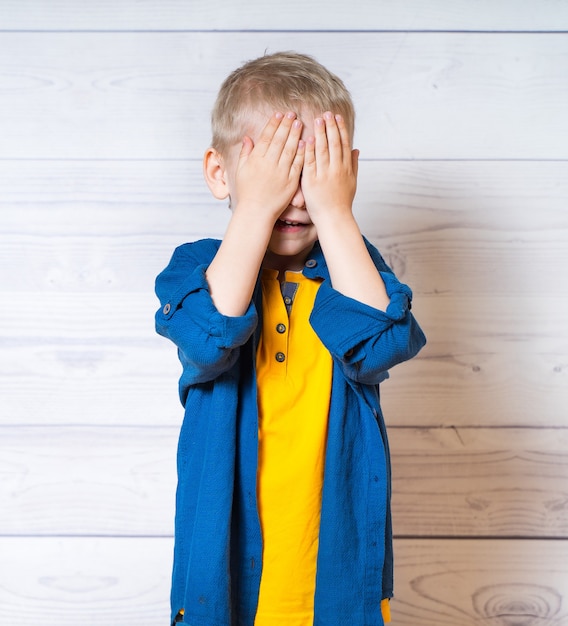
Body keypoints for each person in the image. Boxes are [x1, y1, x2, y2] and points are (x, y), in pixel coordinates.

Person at [155, 51, 426, 626]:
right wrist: (255, 207)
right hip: (225, 571)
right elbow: (211, 337)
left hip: (334, 569)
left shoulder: (352, 273)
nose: (296, 195)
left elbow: (380, 342)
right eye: (276, 172)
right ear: (219, 173)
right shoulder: (199, 269)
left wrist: (335, 212)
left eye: (312, 172)